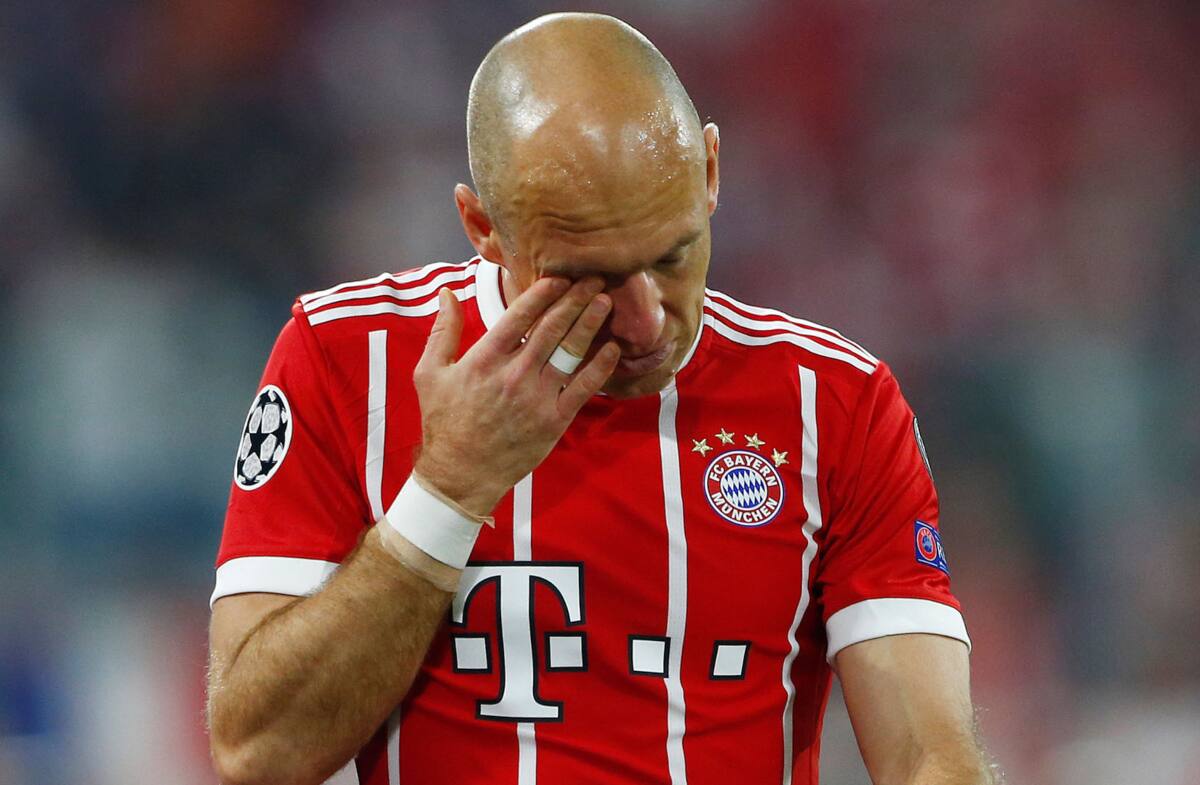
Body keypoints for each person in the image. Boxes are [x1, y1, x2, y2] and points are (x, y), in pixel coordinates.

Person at [207, 12, 996, 785]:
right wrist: (445, 493)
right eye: (591, 277)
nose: (648, 316)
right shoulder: (348, 359)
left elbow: (931, 758)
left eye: (673, 253)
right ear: (484, 227)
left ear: (712, 171)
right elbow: (258, 754)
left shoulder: (835, 404)